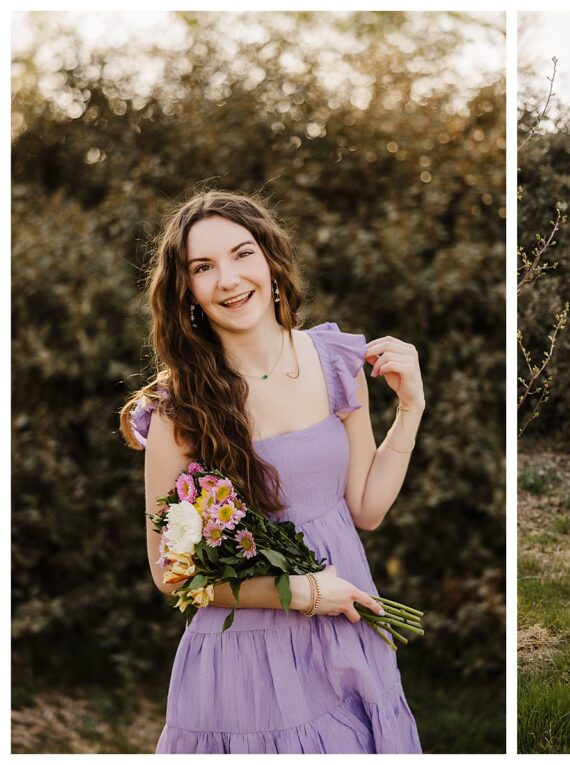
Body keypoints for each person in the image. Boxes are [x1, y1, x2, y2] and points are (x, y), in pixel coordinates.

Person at [119, 190, 424, 753]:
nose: (229, 280)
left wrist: (410, 411)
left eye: (241, 254)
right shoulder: (178, 409)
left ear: (271, 261)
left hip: (346, 631)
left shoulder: (334, 361)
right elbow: (171, 573)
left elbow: (366, 508)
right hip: (247, 664)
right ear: (186, 290)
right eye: (203, 267)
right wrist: (304, 592)